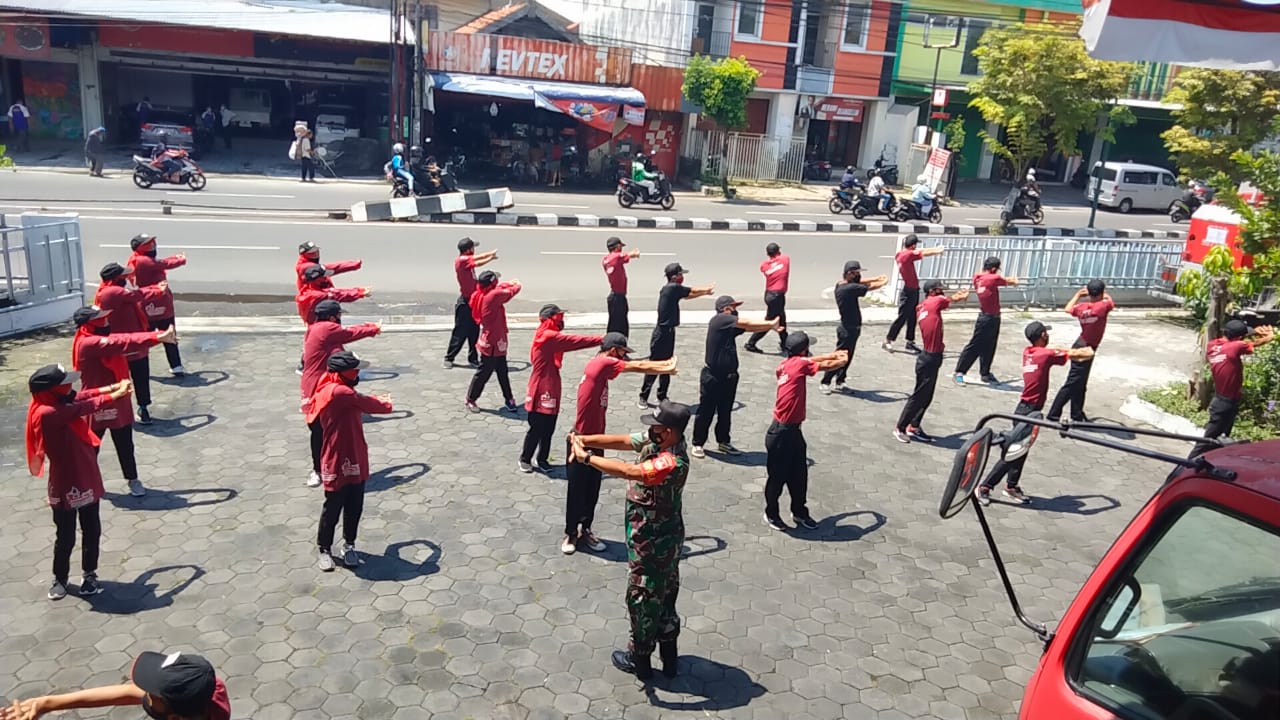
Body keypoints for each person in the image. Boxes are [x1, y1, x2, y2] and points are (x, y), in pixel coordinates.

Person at [568, 400, 692, 681]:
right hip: (663, 540)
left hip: (653, 543)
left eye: (656, 427)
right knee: (665, 594)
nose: (651, 431)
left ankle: (640, 659)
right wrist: (583, 439)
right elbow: (625, 441)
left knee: (643, 597)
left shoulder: (671, 461)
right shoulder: (658, 442)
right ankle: (669, 659)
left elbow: (630, 472)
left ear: (670, 432)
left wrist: (586, 457)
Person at [24, 364, 132, 600]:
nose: (70, 386)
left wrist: (113, 386)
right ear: (52, 391)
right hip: (64, 483)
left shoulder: (57, 403)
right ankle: (60, 578)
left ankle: (89, 574)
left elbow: (83, 395)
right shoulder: (47, 413)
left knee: (91, 528)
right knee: (66, 535)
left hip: (87, 475)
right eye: (65, 383)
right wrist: (117, 394)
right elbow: (86, 405)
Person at [565, 333, 676, 555]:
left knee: (592, 490)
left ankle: (585, 529)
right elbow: (638, 366)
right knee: (577, 491)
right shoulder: (601, 363)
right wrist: (666, 367)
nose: (624, 357)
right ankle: (570, 533)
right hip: (580, 439)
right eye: (623, 352)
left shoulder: (601, 370)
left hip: (596, 439)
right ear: (614, 351)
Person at [976, 322, 1094, 505]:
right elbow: (1084, 354)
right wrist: (1091, 344)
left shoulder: (1029, 352)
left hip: (1027, 410)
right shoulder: (1044, 355)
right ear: (1042, 335)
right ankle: (985, 487)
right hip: (1028, 412)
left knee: (1021, 451)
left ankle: (1011, 486)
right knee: (1013, 453)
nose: (1048, 335)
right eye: (1046, 333)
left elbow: (1056, 353)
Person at [71, 305, 176, 498]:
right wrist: (156, 337)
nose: (107, 321)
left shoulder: (94, 339)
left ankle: (132, 479)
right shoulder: (89, 343)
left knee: (125, 444)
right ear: (90, 324)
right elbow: (122, 342)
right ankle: (82, 482)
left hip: (118, 399)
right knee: (90, 446)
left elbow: (125, 340)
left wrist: (155, 337)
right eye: (101, 319)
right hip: (96, 401)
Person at [305, 351, 393, 570]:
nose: (358, 373)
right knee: (333, 506)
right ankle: (324, 548)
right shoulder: (338, 392)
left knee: (354, 505)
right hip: (336, 457)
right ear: (342, 373)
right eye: (355, 370)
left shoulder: (330, 385)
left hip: (355, 454)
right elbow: (370, 404)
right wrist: (386, 402)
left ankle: (349, 545)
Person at [763, 333, 848, 532]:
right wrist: (841, 360)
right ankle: (771, 513)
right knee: (777, 478)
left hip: (792, 432)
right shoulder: (800, 365)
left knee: (799, 475)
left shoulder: (786, 364)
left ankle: (800, 512)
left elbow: (810, 360)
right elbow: (824, 366)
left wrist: (832, 353)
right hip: (781, 434)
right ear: (802, 350)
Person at [0, 650, 231, 719]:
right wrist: (47, 703)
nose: (144, 694)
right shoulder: (210, 690)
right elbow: (127, 692)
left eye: (151, 693)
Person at [301, 299, 381, 488]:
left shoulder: (317, 329)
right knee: (319, 431)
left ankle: (336, 469)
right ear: (331, 317)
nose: (340, 319)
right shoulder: (326, 329)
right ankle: (318, 470)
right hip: (317, 388)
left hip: (326, 385)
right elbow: (350, 333)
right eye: (339, 316)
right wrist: (373, 329)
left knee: (334, 430)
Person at [691, 296, 779, 459]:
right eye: (733, 307)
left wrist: (766, 324)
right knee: (706, 411)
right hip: (712, 376)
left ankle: (724, 441)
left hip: (730, 377)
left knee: (725, 411)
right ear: (725, 309)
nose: (735, 311)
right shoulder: (719, 320)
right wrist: (770, 324)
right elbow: (746, 324)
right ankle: (698, 443)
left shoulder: (728, 326)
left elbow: (749, 329)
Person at [520, 305, 603, 473]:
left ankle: (542, 459)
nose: (562, 322)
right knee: (537, 427)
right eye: (559, 318)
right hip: (542, 388)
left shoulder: (547, 334)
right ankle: (525, 458)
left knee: (549, 428)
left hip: (551, 385)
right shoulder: (548, 336)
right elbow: (574, 341)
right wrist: (601, 339)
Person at [894, 281, 970, 443]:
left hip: (930, 357)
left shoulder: (923, 306)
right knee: (919, 396)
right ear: (933, 291)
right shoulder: (935, 301)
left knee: (927, 396)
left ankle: (914, 426)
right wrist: (961, 295)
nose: (942, 291)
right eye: (940, 289)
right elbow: (951, 299)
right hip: (929, 358)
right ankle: (900, 427)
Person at [1190, 320, 1275, 458]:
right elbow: (1255, 343)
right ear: (1238, 338)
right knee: (1208, 440)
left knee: (1221, 439)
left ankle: (1211, 463)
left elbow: (1236, 341)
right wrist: (1269, 336)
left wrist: (1253, 331)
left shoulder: (1214, 345)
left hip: (1221, 400)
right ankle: (1187, 466)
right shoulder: (1236, 347)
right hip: (1226, 403)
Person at [94, 263, 165, 425]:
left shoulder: (105, 291)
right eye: (123, 277)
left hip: (130, 343)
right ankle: (130, 410)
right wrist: (158, 290)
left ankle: (140, 408)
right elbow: (137, 295)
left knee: (135, 378)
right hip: (125, 346)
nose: (126, 279)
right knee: (129, 380)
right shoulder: (113, 291)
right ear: (115, 278)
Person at [639, 263, 714, 408]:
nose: (682, 277)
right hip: (661, 334)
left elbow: (689, 295)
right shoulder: (671, 288)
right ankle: (643, 396)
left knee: (667, 365)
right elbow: (692, 290)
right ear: (674, 276)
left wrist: (704, 293)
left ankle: (662, 396)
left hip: (669, 332)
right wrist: (706, 289)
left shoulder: (673, 290)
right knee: (654, 365)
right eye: (681, 274)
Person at [1047, 280, 1116, 422]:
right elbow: (1111, 302)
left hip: (1081, 344)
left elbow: (1067, 308)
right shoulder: (1102, 307)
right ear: (1102, 292)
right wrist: (1104, 294)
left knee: (1080, 383)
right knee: (1073, 382)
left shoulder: (1083, 307)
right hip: (1086, 348)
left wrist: (1078, 295)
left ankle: (1077, 414)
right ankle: (1053, 414)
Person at [820, 261, 888, 393]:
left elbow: (862, 282)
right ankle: (825, 381)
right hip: (847, 329)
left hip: (851, 327)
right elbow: (870, 286)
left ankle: (840, 380)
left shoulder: (841, 284)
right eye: (856, 273)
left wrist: (875, 277)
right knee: (840, 356)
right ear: (849, 274)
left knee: (848, 356)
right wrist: (883, 281)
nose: (858, 276)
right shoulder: (850, 289)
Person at [127, 234, 188, 376]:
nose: (153, 246)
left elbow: (162, 262)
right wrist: (181, 259)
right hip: (154, 304)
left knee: (162, 335)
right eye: (149, 244)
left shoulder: (138, 260)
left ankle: (176, 365)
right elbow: (165, 264)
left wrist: (176, 258)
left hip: (153, 304)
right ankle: (141, 364)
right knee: (157, 336)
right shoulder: (142, 261)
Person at [954, 256, 1019, 385]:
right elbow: (1011, 281)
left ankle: (985, 373)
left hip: (991, 316)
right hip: (987, 318)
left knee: (989, 345)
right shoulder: (993, 278)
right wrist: (1015, 280)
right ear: (994, 268)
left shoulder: (977, 277)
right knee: (976, 345)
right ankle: (959, 372)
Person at [465, 270, 521, 412]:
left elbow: (502, 287)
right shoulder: (494, 296)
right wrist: (516, 283)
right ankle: (471, 398)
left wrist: (507, 283)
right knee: (484, 373)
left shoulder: (482, 293)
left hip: (494, 339)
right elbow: (513, 291)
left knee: (502, 371)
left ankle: (509, 399)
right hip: (493, 342)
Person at [883, 234, 945, 353]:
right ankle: (888, 340)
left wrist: (935, 250)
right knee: (902, 317)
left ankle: (910, 341)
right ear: (913, 245)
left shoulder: (901, 254)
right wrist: (938, 251)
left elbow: (920, 251)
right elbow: (924, 253)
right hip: (909, 291)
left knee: (912, 317)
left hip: (913, 290)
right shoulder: (908, 255)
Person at [445, 238, 498, 369]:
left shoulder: (468, 262)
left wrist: (490, 257)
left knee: (474, 331)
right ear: (468, 249)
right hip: (465, 302)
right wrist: (490, 254)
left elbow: (478, 262)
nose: (474, 250)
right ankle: (449, 357)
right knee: (460, 331)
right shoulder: (461, 260)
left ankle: (473, 358)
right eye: (473, 248)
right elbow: (479, 260)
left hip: (474, 302)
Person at [744, 243, 790, 354]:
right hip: (777, 296)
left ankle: (785, 343)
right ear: (778, 251)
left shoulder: (764, 265)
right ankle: (751, 343)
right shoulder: (785, 259)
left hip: (769, 294)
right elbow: (781, 259)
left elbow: (769, 266)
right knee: (770, 322)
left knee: (782, 319)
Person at [296, 264, 371, 326]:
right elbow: (339, 295)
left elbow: (336, 292)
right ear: (317, 279)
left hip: (315, 328)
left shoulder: (306, 290)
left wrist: (359, 290)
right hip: (324, 329)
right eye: (324, 276)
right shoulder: (318, 295)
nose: (326, 278)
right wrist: (360, 293)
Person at [602, 236, 640, 336]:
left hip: (616, 296)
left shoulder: (606, 259)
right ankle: (616, 346)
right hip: (617, 297)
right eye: (620, 246)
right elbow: (628, 255)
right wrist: (635, 253)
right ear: (617, 246)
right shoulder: (615, 257)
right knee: (619, 327)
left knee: (615, 324)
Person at [295, 241, 362, 292]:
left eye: (316, 251)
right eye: (311, 253)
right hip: (313, 301)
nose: (316, 254)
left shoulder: (314, 265)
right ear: (304, 255)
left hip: (321, 298)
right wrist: (353, 264)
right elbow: (334, 268)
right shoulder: (305, 267)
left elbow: (331, 271)